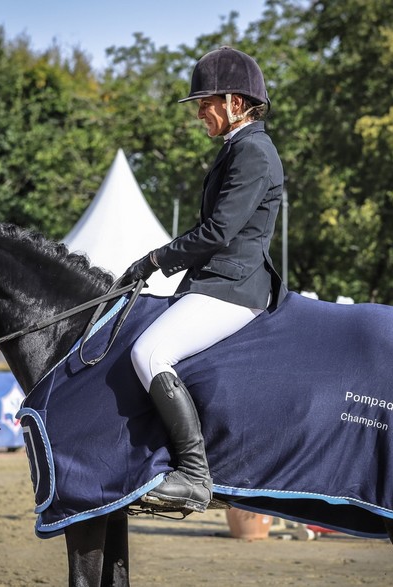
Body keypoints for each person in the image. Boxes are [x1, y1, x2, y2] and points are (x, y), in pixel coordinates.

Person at [118, 46, 288, 513]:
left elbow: (218, 231)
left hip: (233, 288)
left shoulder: (253, 151)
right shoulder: (239, 148)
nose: (199, 112)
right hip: (215, 281)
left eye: (206, 102)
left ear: (235, 102)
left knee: (149, 353)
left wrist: (155, 259)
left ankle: (194, 476)